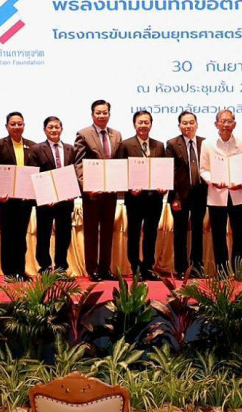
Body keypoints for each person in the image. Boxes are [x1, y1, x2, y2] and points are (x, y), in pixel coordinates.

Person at [114, 110, 167, 280]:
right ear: (134, 124)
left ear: (151, 124)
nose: (143, 125)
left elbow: (163, 170)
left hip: (155, 198)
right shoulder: (125, 145)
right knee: (134, 234)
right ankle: (135, 267)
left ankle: (148, 268)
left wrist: (164, 187)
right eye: (140, 122)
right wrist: (129, 188)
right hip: (135, 199)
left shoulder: (159, 145)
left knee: (151, 234)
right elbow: (120, 170)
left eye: (146, 122)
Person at [74, 99, 122, 281]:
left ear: (109, 114)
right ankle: (92, 269)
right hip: (92, 193)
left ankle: (105, 268)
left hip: (111, 191)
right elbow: (78, 163)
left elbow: (119, 163)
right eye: (98, 113)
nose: (102, 115)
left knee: (108, 231)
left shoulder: (116, 135)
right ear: (92, 114)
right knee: (92, 232)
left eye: (105, 112)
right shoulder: (83, 134)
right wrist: (86, 186)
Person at [200, 109, 242, 273]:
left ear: (234, 124)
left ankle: (239, 271)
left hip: (237, 195)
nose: (226, 125)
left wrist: (241, 183)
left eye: (229, 121)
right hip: (216, 195)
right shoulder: (207, 144)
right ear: (216, 124)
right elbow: (203, 169)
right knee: (218, 235)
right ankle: (221, 271)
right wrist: (213, 181)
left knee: (239, 234)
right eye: (223, 121)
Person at [0, 112, 36, 281]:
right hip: (6, 199)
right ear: (7, 126)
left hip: (25, 199)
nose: (17, 127)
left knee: (21, 236)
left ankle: (20, 270)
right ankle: (9, 272)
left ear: (24, 125)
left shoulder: (32, 146)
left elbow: (34, 172)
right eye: (13, 124)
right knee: (8, 235)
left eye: (19, 124)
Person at [31, 116, 74, 276]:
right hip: (46, 201)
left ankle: (61, 267)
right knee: (44, 234)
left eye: (57, 127)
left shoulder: (70, 149)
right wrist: (45, 196)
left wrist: (72, 192)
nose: (54, 130)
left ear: (61, 129)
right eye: (50, 127)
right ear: (45, 130)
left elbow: (74, 172)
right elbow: (35, 175)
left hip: (65, 200)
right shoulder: (37, 149)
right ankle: (45, 267)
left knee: (64, 235)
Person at [166, 111, 207, 277]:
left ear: (197, 125)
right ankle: (181, 268)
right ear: (179, 126)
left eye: (191, 122)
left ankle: (197, 267)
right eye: (184, 123)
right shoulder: (172, 144)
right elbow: (170, 172)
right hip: (180, 196)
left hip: (200, 193)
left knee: (198, 231)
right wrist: (175, 197)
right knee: (180, 232)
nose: (188, 126)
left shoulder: (205, 143)